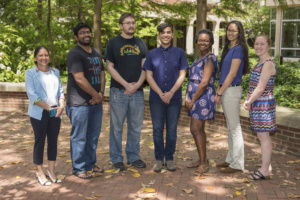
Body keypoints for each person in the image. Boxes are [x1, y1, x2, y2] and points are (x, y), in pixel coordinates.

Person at [143, 22, 189, 172]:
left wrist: (170, 93)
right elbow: (148, 76)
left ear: (172, 34)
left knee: (172, 129)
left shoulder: (179, 52)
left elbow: (183, 74)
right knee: (157, 129)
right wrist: (160, 93)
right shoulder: (152, 54)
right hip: (156, 99)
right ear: (159, 35)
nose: (166, 35)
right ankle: (158, 159)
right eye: (163, 32)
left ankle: (169, 158)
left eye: (168, 32)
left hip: (174, 98)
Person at [105, 12, 147, 170]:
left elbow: (145, 67)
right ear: (121, 25)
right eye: (128, 23)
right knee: (116, 127)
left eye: (133, 22)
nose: (131, 25)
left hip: (137, 92)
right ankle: (116, 158)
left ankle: (133, 156)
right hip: (118, 92)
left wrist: (136, 85)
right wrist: (126, 85)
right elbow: (109, 67)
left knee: (135, 126)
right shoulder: (113, 43)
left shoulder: (140, 42)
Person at [66, 22, 106, 179]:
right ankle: (78, 168)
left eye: (88, 32)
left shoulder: (96, 53)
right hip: (79, 105)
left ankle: (90, 164)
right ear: (76, 37)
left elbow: (102, 74)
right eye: (82, 33)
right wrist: (96, 96)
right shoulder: (74, 54)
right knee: (79, 137)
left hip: (96, 103)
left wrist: (101, 93)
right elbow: (79, 79)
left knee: (93, 136)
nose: (86, 35)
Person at [25, 46, 65, 186]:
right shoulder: (30, 73)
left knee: (53, 142)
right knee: (40, 142)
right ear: (35, 58)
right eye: (41, 55)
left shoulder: (55, 72)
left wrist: (61, 105)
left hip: (55, 112)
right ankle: (40, 172)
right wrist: (49, 108)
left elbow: (60, 91)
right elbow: (33, 96)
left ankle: (51, 171)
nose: (44, 58)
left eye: (46, 55)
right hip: (39, 113)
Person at [214, 20, 249, 173]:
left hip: (231, 90)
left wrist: (220, 92)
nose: (230, 33)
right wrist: (218, 90)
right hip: (226, 89)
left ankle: (238, 164)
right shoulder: (229, 48)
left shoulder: (239, 49)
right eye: (229, 30)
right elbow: (223, 73)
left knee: (235, 128)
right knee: (231, 127)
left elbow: (233, 73)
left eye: (234, 30)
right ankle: (230, 160)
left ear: (239, 32)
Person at [185, 29, 218, 174]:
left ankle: (204, 163)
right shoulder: (198, 58)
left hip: (202, 97)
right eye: (200, 40)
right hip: (195, 96)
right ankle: (202, 159)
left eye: (206, 40)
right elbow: (191, 78)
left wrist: (192, 99)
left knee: (195, 129)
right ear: (196, 41)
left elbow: (204, 82)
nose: (202, 42)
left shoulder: (210, 58)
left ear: (211, 42)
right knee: (199, 129)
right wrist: (187, 95)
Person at [244, 34, 276, 180]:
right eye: (256, 44)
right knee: (263, 136)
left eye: (262, 44)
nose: (258, 47)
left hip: (262, 104)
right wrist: (248, 98)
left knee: (263, 137)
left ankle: (264, 170)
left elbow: (261, 87)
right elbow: (254, 85)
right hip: (258, 102)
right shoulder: (259, 62)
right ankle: (266, 165)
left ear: (269, 46)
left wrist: (249, 101)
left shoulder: (268, 63)